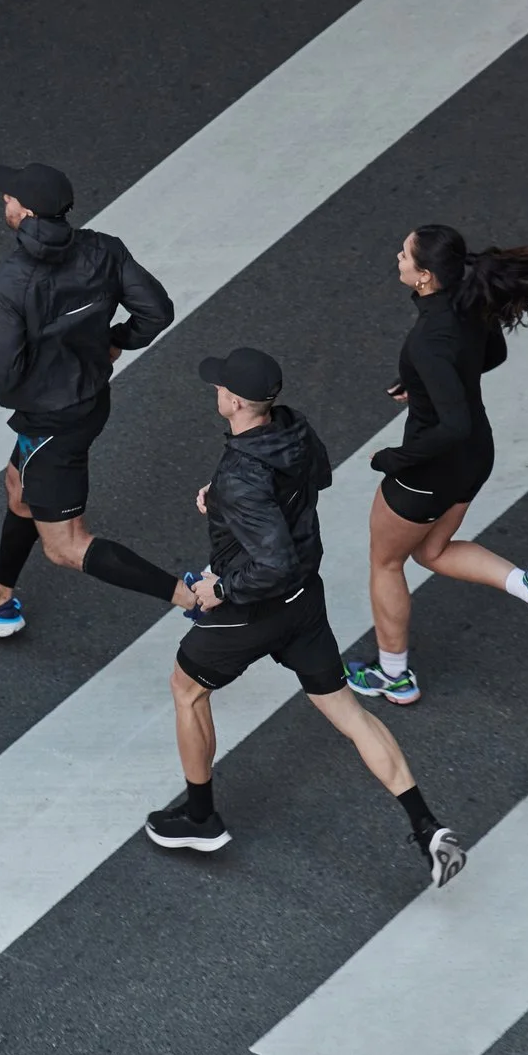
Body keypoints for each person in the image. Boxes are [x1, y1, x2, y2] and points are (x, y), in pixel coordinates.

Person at [146, 347, 468, 887]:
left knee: (187, 689)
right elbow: (315, 477)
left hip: (254, 610)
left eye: (220, 387)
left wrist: (220, 587)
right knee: (350, 714)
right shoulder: (292, 426)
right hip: (305, 605)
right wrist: (224, 504)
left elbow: (270, 561)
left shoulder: (242, 472)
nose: (216, 391)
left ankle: (200, 817)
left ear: (233, 400)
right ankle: (427, 827)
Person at [0, 162, 193, 635]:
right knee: (19, 490)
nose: (4, 202)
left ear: (28, 212)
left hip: (53, 422)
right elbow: (157, 311)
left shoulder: (11, 281)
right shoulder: (104, 250)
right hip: (88, 400)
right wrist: (115, 341)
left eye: (10, 198)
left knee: (66, 547)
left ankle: (190, 596)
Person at [344, 225, 528, 709]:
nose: (398, 256)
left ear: (424, 277)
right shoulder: (465, 303)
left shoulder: (427, 338)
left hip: (429, 470)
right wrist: (427, 383)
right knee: (432, 552)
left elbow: (449, 425)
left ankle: (394, 675)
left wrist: (393, 459)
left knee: (386, 562)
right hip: (476, 459)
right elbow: (491, 353)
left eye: (405, 253)